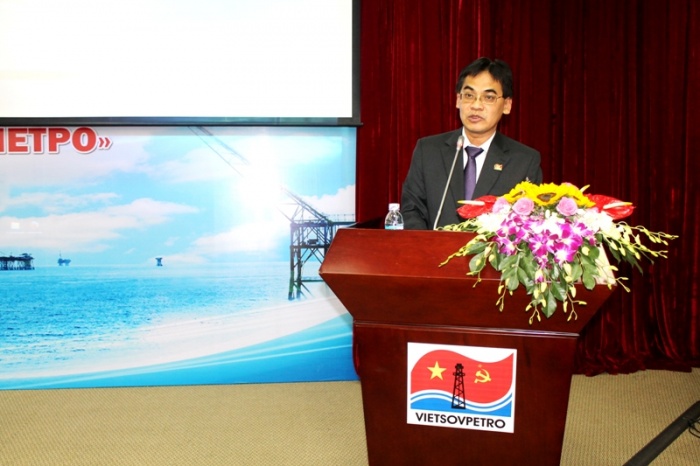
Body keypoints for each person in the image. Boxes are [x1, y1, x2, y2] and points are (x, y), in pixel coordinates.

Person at [400, 57, 543, 230]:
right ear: (458, 100)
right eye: (469, 95)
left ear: (506, 105)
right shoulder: (428, 151)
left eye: (488, 97)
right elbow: (412, 210)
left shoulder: (524, 161)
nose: (476, 105)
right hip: (432, 247)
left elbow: (527, 225)